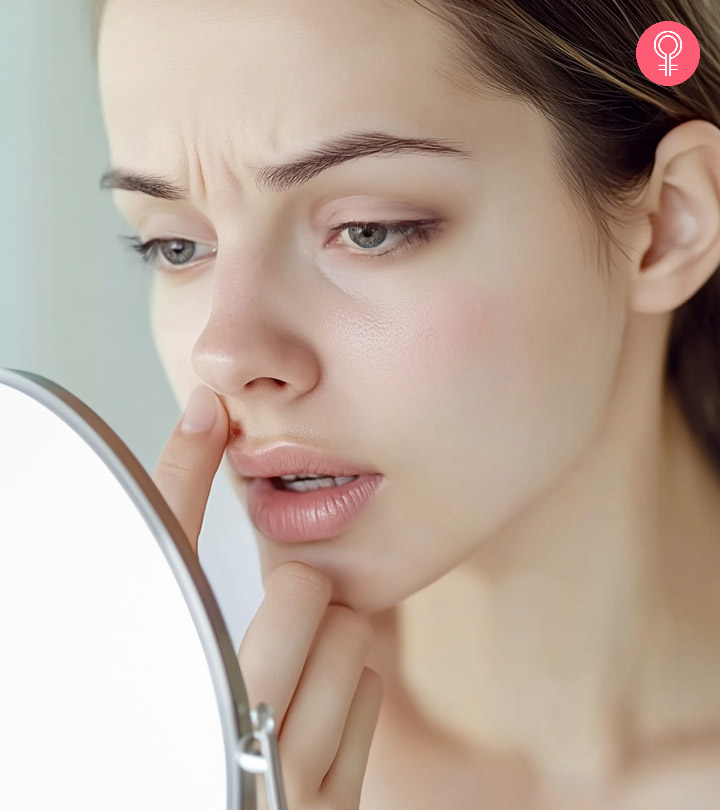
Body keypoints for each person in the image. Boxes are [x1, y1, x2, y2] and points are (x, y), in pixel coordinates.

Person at [89, 0, 720, 807]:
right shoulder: (116, 748)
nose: (225, 353)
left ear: (669, 224)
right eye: (176, 246)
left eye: (370, 230)